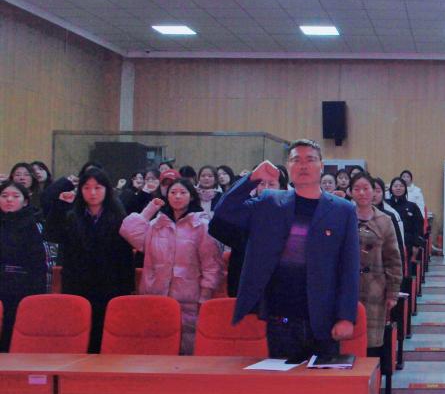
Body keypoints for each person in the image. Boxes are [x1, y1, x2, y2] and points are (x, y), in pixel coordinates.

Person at [212, 140, 360, 360]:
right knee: (282, 378)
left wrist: (346, 317)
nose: (303, 165)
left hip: (324, 316)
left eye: (310, 159)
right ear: (288, 167)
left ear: (321, 166)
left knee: (322, 381)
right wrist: (252, 179)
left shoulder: (343, 210)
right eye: (296, 160)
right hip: (280, 315)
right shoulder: (270, 202)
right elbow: (225, 212)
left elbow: (349, 268)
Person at [120, 178, 223, 355]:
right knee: (157, 347)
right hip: (156, 295)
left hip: (189, 299)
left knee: (187, 348)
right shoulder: (157, 224)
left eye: (183, 192)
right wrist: (150, 209)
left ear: (191, 196)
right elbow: (129, 231)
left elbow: (211, 265)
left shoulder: (202, 226)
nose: (177, 196)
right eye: (173, 193)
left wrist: (205, 295)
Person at [44, 168, 135, 353]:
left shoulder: (118, 217)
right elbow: (51, 234)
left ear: (107, 189)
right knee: (79, 335)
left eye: (98, 187)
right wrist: (60, 206)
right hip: (78, 285)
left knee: (106, 335)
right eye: (86, 187)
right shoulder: (71, 215)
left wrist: (126, 288)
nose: (92, 193)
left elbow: (125, 257)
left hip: (110, 286)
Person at [208, 162, 289, 298]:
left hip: (277, 286)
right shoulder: (248, 209)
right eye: (261, 184)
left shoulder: (290, 215)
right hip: (244, 283)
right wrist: (250, 179)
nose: (266, 189)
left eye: (271, 184)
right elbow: (223, 209)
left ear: (282, 188)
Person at [349, 173, 402, 356]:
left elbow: (393, 259)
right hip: (348, 288)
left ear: (374, 191)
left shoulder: (385, 220)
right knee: (347, 340)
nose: (362, 193)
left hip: (375, 289)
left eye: (366, 188)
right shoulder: (343, 216)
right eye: (357, 189)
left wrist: (393, 292)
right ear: (350, 192)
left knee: (371, 343)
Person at [0, 181, 51, 351]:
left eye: (15, 196)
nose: (9, 200)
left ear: (25, 201)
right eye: (4, 196)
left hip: (23, 287)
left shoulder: (33, 224)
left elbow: (40, 263)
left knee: (17, 333)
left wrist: (38, 296)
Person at [387, 177, 425, 257]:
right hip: (388, 242)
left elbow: (418, 227)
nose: (398, 188)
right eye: (395, 186)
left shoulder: (412, 206)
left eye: (401, 186)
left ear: (405, 188)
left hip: (407, 243)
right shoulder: (386, 205)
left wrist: (416, 244)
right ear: (391, 189)